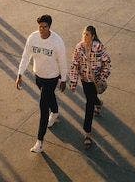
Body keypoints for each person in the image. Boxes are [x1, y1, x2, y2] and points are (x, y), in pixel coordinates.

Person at [16, 14, 68, 155]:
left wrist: (63, 79)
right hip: (38, 76)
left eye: (44, 27)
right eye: (40, 26)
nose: (42, 29)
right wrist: (20, 74)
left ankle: (39, 142)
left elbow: (62, 61)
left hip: (52, 78)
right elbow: (26, 55)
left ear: (49, 27)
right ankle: (56, 112)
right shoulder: (33, 38)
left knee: (43, 107)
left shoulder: (57, 42)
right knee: (49, 97)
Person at [68, 25, 111, 151]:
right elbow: (75, 64)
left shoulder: (98, 47)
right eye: (83, 34)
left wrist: (102, 77)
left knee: (89, 105)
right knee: (91, 99)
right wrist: (74, 82)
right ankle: (99, 103)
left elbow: (107, 63)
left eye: (87, 34)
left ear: (92, 36)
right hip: (85, 79)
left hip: (95, 80)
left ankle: (87, 133)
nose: (84, 36)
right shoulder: (79, 47)